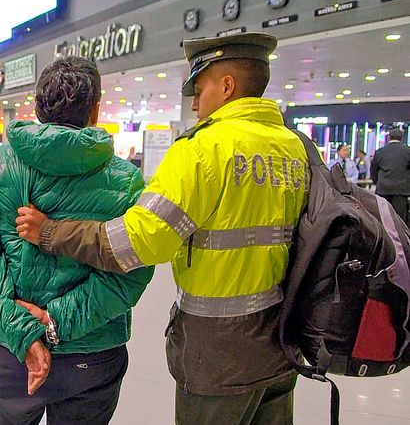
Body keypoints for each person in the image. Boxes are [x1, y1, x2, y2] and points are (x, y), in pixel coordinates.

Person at [16, 33, 309, 424]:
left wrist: (51, 232)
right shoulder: (298, 148)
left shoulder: (202, 151)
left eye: (199, 88)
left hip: (218, 352)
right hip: (283, 342)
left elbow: (136, 243)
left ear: (227, 85)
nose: (195, 102)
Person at [0, 56, 155, 424]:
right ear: (95, 110)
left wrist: (22, 330)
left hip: (12, 351)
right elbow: (131, 269)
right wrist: (56, 322)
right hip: (93, 351)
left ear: (36, 108)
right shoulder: (125, 181)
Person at [370, 129, 410, 224]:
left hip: (383, 189)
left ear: (389, 137)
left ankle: (384, 238)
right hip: (401, 190)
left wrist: (378, 182)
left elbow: (373, 171)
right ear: (401, 138)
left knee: (383, 219)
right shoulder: (407, 151)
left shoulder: (379, 152)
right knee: (399, 220)